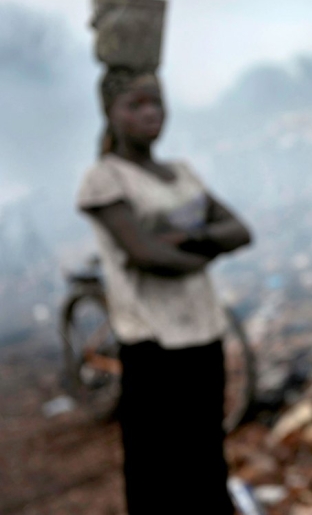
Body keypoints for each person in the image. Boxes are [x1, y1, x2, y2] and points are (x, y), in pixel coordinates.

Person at [77, 67, 251, 514]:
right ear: (109, 113)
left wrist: (190, 242)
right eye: (135, 105)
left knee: (207, 457)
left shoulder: (181, 172)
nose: (150, 112)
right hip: (153, 344)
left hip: (203, 333)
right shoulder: (106, 179)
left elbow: (239, 231)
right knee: (156, 470)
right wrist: (205, 250)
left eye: (155, 101)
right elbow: (146, 255)